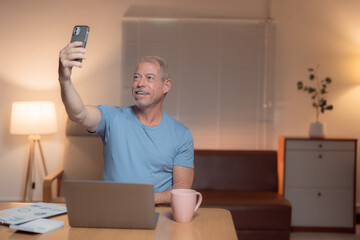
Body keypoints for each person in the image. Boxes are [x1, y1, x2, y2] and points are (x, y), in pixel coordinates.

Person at [58, 41, 194, 204]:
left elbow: (182, 190)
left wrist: (141, 198)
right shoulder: (112, 117)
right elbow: (78, 113)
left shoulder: (181, 134)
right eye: (136, 77)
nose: (140, 83)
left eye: (149, 78)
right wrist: (64, 79)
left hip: (156, 213)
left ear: (166, 86)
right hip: (111, 210)